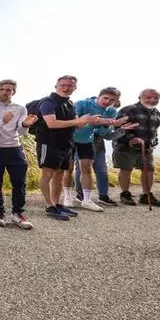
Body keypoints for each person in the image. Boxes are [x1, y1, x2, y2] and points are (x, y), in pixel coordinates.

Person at [33, 75, 101, 221]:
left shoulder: (70, 104)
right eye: (63, 85)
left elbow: (77, 124)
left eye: (70, 85)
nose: (66, 88)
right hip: (48, 143)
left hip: (66, 143)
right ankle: (49, 206)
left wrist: (90, 121)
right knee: (47, 174)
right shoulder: (48, 102)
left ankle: (57, 204)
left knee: (59, 174)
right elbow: (52, 123)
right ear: (56, 86)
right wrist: (78, 121)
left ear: (75, 88)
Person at [64, 88, 136, 211]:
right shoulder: (82, 104)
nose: (107, 102)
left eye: (112, 100)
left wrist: (110, 126)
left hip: (87, 140)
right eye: (105, 98)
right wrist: (100, 121)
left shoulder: (112, 111)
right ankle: (68, 197)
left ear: (116, 101)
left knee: (86, 168)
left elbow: (103, 133)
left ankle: (87, 200)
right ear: (99, 96)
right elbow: (74, 123)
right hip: (70, 139)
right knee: (68, 169)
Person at [0, 79, 37, 229]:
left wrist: (25, 124)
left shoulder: (20, 108)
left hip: (14, 148)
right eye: (2, 89)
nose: (5, 92)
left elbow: (21, 131)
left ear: (14, 92)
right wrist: (3, 121)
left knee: (19, 182)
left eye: (8, 90)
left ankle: (18, 213)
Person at [112, 89, 160, 207]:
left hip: (146, 147)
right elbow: (117, 126)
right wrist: (131, 138)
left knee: (149, 170)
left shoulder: (156, 113)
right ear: (140, 97)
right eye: (148, 97)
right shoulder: (128, 110)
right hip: (125, 147)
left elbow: (154, 130)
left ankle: (146, 196)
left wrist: (153, 141)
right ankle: (125, 194)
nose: (152, 100)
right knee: (126, 169)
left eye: (155, 98)